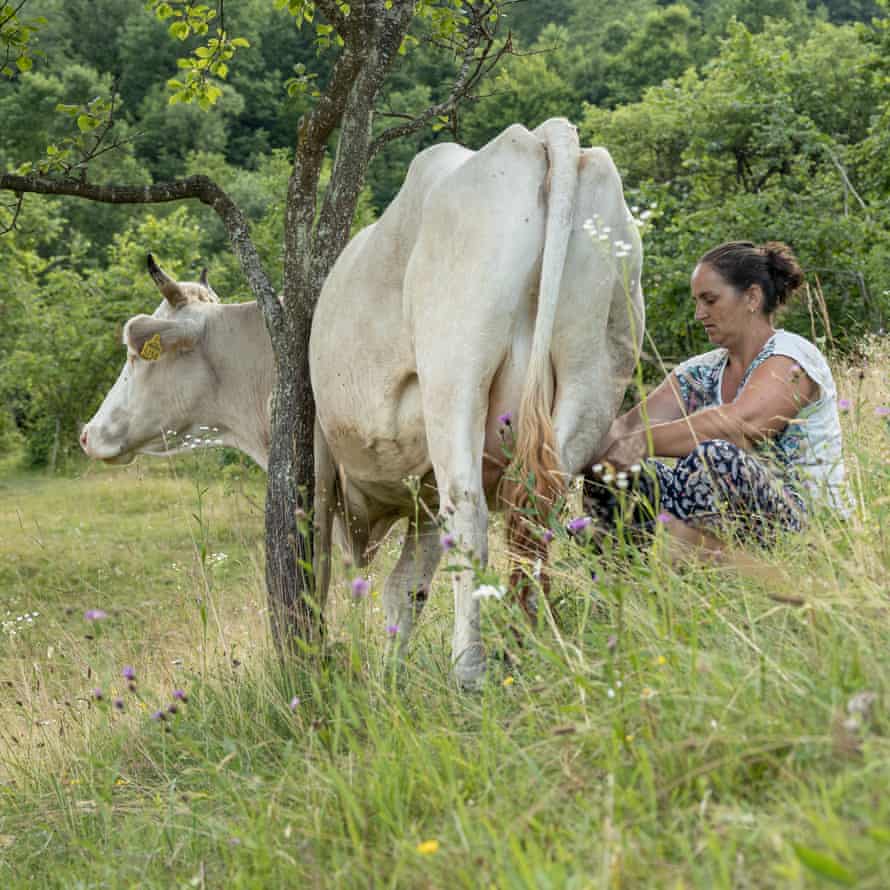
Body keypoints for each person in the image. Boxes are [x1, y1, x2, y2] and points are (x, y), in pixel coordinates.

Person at [585, 240, 849, 560]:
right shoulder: (702, 371)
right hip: (727, 522)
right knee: (619, 471)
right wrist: (565, 448)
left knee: (716, 455)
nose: (699, 314)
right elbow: (625, 428)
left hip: (807, 528)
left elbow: (740, 426)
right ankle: (625, 583)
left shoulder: (793, 356)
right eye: (697, 302)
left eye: (710, 300)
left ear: (752, 297)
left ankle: (702, 568)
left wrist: (637, 444)